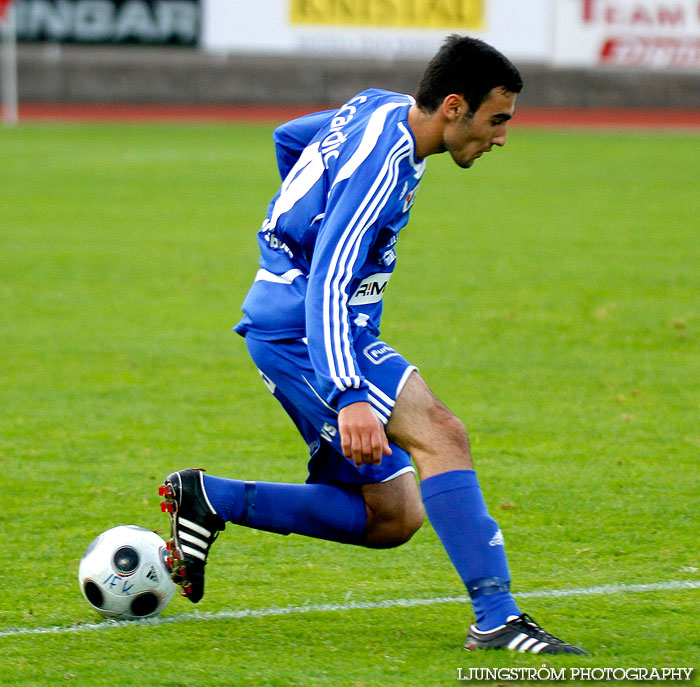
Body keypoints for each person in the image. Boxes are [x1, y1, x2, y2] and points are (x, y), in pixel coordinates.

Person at [159, 35, 588, 655]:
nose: (500, 137)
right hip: (307, 333)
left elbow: (290, 137)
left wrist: (304, 224)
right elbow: (330, 277)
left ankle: (210, 499)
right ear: (452, 106)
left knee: (393, 515)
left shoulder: (378, 106)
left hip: (308, 325)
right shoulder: (382, 172)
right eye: (496, 120)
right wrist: (350, 393)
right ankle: (497, 618)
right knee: (443, 434)